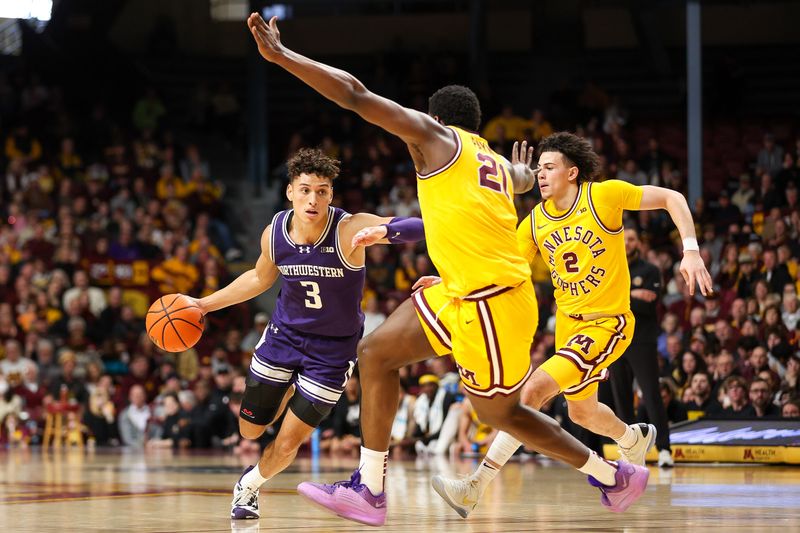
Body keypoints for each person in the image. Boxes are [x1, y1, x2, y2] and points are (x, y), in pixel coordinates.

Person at [246, 13, 651, 527]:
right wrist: (521, 173)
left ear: (435, 120)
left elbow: (353, 93)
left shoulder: (434, 139)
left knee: (500, 414)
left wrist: (284, 57)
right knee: (373, 354)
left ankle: (611, 475)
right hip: (461, 291)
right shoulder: (496, 164)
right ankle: (369, 489)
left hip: (493, 302)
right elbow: (521, 181)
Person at [431, 132, 712, 518]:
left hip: (607, 323)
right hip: (567, 325)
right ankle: (634, 438)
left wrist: (691, 250)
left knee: (530, 394)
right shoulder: (533, 223)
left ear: (572, 172)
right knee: (582, 413)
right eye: (538, 168)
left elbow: (671, 198)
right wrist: (450, 280)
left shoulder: (603, 196)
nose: (540, 174)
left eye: (548, 167)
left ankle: (474, 486)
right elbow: (497, 267)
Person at [188, 148, 425, 520]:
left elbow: (419, 226)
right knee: (250, 430)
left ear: (331, 195)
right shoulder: (275, 232)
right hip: (284, 337)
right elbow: (257, 279)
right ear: (290, 192)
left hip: (332, 351)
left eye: (322, 191)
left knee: (287, 442)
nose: (313, 199)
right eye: (305, 190)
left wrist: (384, 230)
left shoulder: (348, 228)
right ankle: (280, 395)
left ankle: (247, 487)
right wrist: (202, 305)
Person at [606, 228, 674, 467]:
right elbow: (606, 300)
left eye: (632, 239)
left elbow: (648, 306)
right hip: (616, 339)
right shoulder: (610, 265)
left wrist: (621, 295)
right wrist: (634, 293)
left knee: (651, 394)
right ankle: (630, 451)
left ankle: (665, 449)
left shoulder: (650, 270)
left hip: (642, 340)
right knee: (621, 397)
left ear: (638, 243)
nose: (627, 243)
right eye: (624, 239)